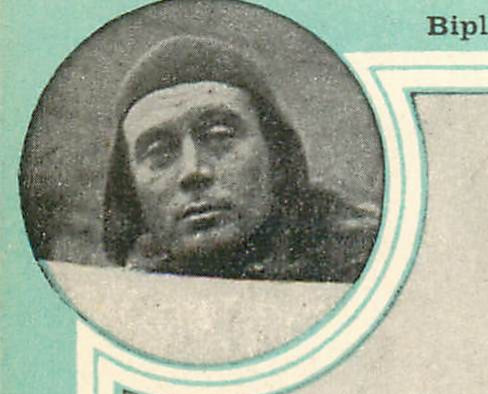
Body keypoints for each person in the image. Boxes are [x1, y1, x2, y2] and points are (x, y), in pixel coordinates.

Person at [102, 35, 378, 280]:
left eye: (220, 137)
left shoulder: (371, 265)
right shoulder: (120, 298)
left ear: (277, 155)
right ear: (130, 188)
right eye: (159, 153)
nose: (193, 171)